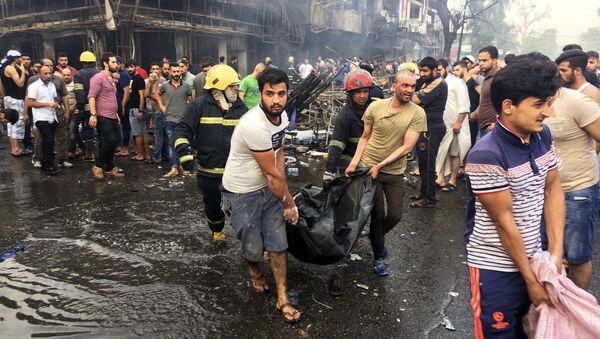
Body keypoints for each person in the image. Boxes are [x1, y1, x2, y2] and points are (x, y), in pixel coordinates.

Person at [464, 53, 564, 338]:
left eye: (548, 103)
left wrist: (555, 254)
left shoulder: (542, 135)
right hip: (494, 269)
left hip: (535, 257)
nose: (547, 112)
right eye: (538, 105)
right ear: (508, 106)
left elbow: (553, 189)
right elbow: (503, 222)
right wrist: (530, 281)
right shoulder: (487, 153)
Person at [221, 68, 301, 323]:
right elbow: (271, 175)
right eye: (269, 93)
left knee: (278, 244)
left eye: (281, 93)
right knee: (253, 248)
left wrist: (283, 197)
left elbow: (279, 154)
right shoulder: (254, 124)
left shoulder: (283, 116)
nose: (276, 100)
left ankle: (283, 297)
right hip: (241, 193)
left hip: (268, 190)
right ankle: (254, 270)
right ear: (260, 94)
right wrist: (289, 203)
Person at [345, 70, 426, 275]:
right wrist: (354, 163)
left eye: (412, 87)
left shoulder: (417, 113)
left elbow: (407, 147)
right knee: (378, 214)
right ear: (394, 86)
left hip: (392, 171)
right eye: (405, 85)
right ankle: (379, 257)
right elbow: (365, 137)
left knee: (395, 215)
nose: (409, 90)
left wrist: (380, 166)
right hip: (369, 168)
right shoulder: (375, 107)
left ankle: (375, 238)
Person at [544, 58, 600, 290]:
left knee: (577, 255)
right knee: (547, 253)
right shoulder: (531, 101)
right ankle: (554, 308)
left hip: (578, 189)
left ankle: (577, 308)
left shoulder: (578, 102)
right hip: (543, 191)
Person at [174, 64, 246, 240]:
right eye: (233, 86)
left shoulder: (241, 109)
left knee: (243, 209)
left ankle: (251, 241)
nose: (236, 89)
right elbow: (182, 130)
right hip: (209, 174)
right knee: (213, 208)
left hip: (236, 174)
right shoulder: (199, 106)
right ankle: (217, 233)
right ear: (219, 87)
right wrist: (185, 152)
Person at [410, 57, 448, 208]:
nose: (422, 74)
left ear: (434, 70)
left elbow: (415, 99)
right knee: (423, 163)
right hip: (426, 127)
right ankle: (423, 192)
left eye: (425, 71)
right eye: (420, 71)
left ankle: (429, 199)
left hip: (432, 128)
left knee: (428, 164)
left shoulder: (438, 83)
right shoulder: (428, 82)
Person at [324, 69, 375, 180]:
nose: (362, 96)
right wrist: (330, 171)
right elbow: (336, 144)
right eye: (358, 92)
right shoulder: (345, 115)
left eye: (365, 91)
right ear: (350, 93)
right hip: (348, 163)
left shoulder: (374, 108)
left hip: (370, 162)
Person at [435, 59, 470, 192]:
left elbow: (464, 105)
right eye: (436, 71)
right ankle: (440, 179)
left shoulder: (456, 83)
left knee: (453, 153)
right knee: (440, 151)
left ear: (446, 69)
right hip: (440, 125)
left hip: (453, 125)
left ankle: (453, 180)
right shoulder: (436, 84)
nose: (438, 72)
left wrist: (458, 122)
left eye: (440, 70)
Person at [28, 59, 71, 169]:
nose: (49, 71)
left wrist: (65, 110)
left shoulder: (54, 83)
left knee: (59, 137)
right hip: (41, 116)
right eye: (46, 69)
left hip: (55, 114)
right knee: (43, 139)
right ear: (40, 70)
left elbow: (62, 96)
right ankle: (40, 160)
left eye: (51, 67)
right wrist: (26, 114)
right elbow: (29, 101)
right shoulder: (33, 83)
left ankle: (59, 160)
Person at [88, 52, 124, 180]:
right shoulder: (98, 78)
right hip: (102, 116)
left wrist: (116, 114)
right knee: (110, 141)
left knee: (117, 139)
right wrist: (93, 115)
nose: (116, 64)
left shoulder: (111, 79)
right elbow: (92, 96)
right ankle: (98, 166)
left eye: (116, 62)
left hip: (112, 116)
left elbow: (112, 97)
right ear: (105, 63)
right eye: (113, 62)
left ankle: (109, 168)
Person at [158, 63, 193, 178]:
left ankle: (184, 167)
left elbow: (191, 102)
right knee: (171, 145)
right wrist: (162, 107)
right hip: (170, 119)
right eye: (174, 72)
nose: (176, 74)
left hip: (183, 121)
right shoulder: (164, 86)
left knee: (184, 144)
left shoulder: (187, 86)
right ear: (170, 72)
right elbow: (157, 95)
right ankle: (174, 168)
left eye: (178, 71)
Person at [26, 65, 62, 174]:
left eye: (49, 73)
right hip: (41, 117)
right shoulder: (34, 86)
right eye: (45, 73)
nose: (48, 75)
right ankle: (47, 164)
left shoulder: (51, 85)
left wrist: (56, 105)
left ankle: (48, 164)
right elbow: (30, 103)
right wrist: (47, 104)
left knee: (50, 142)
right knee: (48, 140)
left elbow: (53, 99)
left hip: (52, 116)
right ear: (39, 74)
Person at [1, 50, 31, 157]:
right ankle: (16, 149)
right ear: (15, 58)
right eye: (19, 58)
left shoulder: (5, 68)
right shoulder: (10, 68)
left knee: (10, 122)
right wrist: (22, 71)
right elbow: (20, 83)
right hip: (15, 99)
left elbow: (1, 85)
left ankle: (15, 148)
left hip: (9, 97)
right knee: (16, 122)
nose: (21, 60)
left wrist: (4, 97)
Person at [73, 51, 100, 162]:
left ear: (82, 62)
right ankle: (101, 154)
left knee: (88, 129)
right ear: (94, 62)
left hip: (87, 107)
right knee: (101, 130)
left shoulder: (79, 74)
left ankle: (89, 155)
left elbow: (79, 92)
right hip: (100, 107)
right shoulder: (99, 73)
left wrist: (80, 107)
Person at [472, 46, 500, 139]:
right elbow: (486, 100)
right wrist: (475, 113)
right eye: (479, 60)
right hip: (483, 127)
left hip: (491, 129)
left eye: (484, 60)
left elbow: (508, 102)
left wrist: (498, 124)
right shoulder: (487, 77)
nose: (480, 63)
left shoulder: (498, 78)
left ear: (494, 61)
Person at [125, 60, 150, 162]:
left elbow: (142, 96)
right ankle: (146, 154)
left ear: (136, 67)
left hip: (137, 109)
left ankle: (140, 154)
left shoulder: (138, 79)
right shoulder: (133, 78)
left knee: (138, 133)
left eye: (131, 67)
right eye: (128, 67)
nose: (129, 69)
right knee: (142, 132)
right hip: (135, 109)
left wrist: (140, 110)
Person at [453, 60, 481, 147]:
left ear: (465, 69)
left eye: (457, 70)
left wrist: (476, 112)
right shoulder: (460, 83)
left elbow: (485, 97)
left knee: (470, 144)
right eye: (454, 70)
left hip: (472, 118)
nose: (455, 73)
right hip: (463, 118)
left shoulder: (472, 82)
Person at [144, 61, 167, 164]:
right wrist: (150, 82)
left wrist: (152, 95)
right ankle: (162, 155)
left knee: (159, 134)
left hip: (160, 110)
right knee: (158, 134)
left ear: (160, 70)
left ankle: (158, 156)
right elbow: (145, 94)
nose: (155, 71)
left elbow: (159, 96)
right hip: (153, 110)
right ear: (150, 70)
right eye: (153, 69)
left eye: (157, 69)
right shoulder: (148, 81)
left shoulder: (162, 81)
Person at [62, 67, 82, 160]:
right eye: (64, 75)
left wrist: (74, 106)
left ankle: (71, 151)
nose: (66, 77)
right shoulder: (60, 85)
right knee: (73, 131)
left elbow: (80, 97)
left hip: (75, 112)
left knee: (72, 130)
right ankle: (82, 146)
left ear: (71, 76)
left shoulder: (75, 85)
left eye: (68, 75)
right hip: (64, 112)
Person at [115, 56, 131, 157]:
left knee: (125, 126)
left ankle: (125, 148)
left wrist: (123, 106)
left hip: (124, 105)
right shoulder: (119, 74)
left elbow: (126, 92)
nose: (115, 65)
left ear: (121, 64)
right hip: (120, 104)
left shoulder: (124, 74)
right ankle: (121, 146)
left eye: (116, 63)